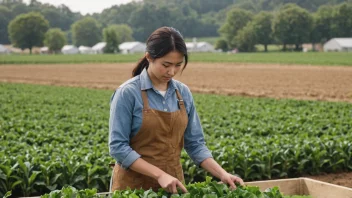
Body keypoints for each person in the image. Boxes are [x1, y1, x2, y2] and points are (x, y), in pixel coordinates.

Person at [109, 26, 244, 194]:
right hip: (132, 189)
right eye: (166, 65)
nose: (171, 71)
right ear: (149, 57)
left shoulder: (183, 93)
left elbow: (195, 144)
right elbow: (118, 147)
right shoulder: (128, 93)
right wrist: (160, 175)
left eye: (178, 65)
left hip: (173, 186)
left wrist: (222, 174)